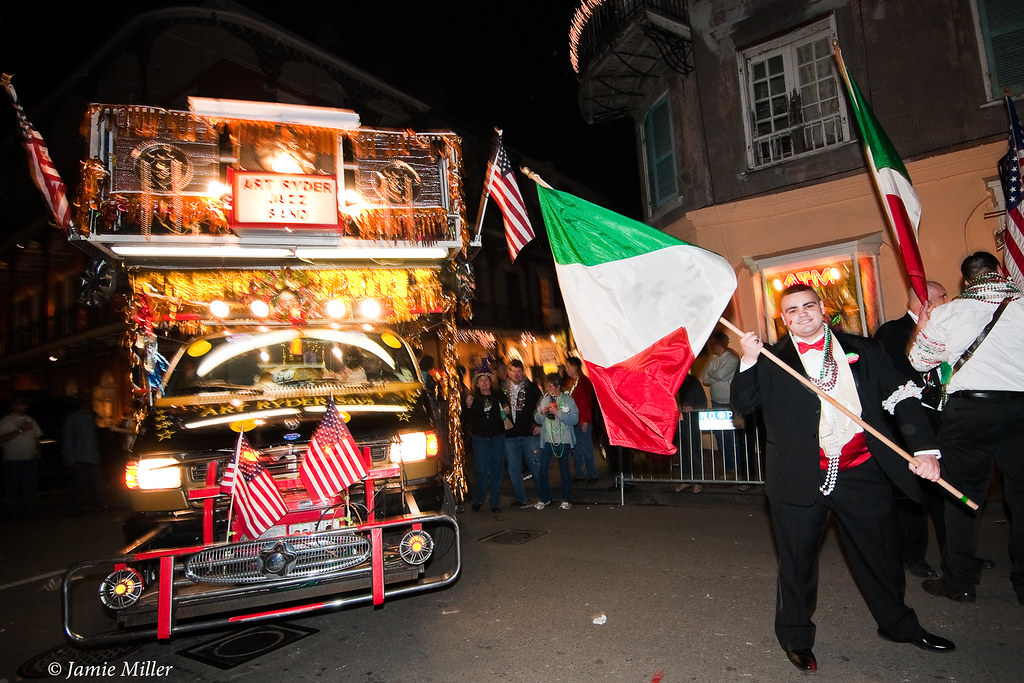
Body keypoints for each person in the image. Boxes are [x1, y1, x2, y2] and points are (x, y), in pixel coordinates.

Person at [733, 283, 954, 673]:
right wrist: (749, 360)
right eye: (792, 310)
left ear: (822, 308)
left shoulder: (864, 350)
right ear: (783, 320)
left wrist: (923, 448)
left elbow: (901, 396)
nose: (802, 314)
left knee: (881, 555)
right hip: (799, 476)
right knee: (797, 563)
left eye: (808, 306)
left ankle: (898, 625)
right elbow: (744, 403)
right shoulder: (771, 358)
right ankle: (796, 637)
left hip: (861, 470)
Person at [909, 251, 1024, 605]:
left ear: (966, 279)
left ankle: (959, 581)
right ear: (1000, 270)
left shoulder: (949, 313)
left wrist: (923, 326)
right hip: (1020, 407)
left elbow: (919, 361)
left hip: (970, 411)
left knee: (962, 496)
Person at [874, 281, 949, 579]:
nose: (948, 300)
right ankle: (913, 554)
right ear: (924, 300)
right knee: (914, 494)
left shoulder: (947, 328)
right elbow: (898, 377)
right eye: (942, 296)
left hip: (945, 422)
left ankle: (956, 555)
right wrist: (921, 332)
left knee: (946, 491)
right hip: (911, 426)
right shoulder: (892, 331)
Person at [464, 372, 509, 513]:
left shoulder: (498, 396)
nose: (484, 382)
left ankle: (495, 502)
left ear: (490, 382)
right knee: (481, 470)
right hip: (480, 439)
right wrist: (468, 407)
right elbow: (467, 419)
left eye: (486, 380)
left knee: (497, 470)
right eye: (481, 380)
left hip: (497, 437)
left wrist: (506, 410)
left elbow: (507, 408)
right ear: (477, 384)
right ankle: (479, 500)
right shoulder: (473, 399)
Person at [534, 373, 579, 510]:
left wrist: (558, 412)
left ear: (558, 386)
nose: (548, 389)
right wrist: (541, 413)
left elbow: (574, 420)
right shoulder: (545, 400)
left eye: (550, 386)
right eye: (546, 386)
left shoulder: (568, 400)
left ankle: (567, 499)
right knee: (543, 470)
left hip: (564, 440)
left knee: (564, 470)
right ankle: (545, 498)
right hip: (548, 440)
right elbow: (537, 419)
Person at [700, 330, 740, 474]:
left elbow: (721, 375)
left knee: (731, 437)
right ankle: (729, 467)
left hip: (729, 402)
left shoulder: (732, 358)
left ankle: (737, 467)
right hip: (717, 402)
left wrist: (713, 374)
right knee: (720, 436)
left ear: (717, 343)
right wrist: (715, 375)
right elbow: (705, 379)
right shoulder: (714, 360)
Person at [504, 359, 542, 507]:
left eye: (519, 371)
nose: (516, 374)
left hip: (528, 433)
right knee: (514, 468)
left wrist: (538, 424)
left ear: (523, 372)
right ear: (508, 372)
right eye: (513, 371)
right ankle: (520, 498)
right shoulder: (502, 390)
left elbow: (541, 407)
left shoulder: (531, 388)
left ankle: (544, 495)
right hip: (510, 435)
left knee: (536, 465)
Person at [63, 395, 107, 514]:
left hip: (92, 456)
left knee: (97, 483)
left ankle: (101, 504)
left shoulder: (90, 417)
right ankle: (77, 507)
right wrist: (70, 458)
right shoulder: (74, 419)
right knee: (81, 483)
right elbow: (68, 439)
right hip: (80, 457)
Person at [0, 396, 43, 518]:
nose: (25, 406)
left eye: (25, 404)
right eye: (22, 404)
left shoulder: (30, 420)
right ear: (15, 406)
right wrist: (20, 430)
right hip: (13, 460)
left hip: (29, 459)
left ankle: (30, 509)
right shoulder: (6, 421)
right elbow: (1, 439)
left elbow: (36, 437)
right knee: (13, 487)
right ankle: (12, 511)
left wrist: (38, 450)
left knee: (30, 486)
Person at [565, 356, 598, 482]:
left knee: (586, 448)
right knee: (576, 449)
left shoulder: (583, 382)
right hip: (573, 420)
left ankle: (592, 474)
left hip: (582, 420)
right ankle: (579, 474)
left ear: (575, 367)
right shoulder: (570, 382)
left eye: (568, 366)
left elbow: (586, 402)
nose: (566, 369)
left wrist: (585, 419)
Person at [675, 370, 708, 493]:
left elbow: (703, 402)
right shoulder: (676, 380)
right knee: (682, 451)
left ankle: (697, 481)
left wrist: (692, 407)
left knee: (693, 450)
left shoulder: (693, 382)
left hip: (691, 420)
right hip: (680, 422)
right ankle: (686, 479)